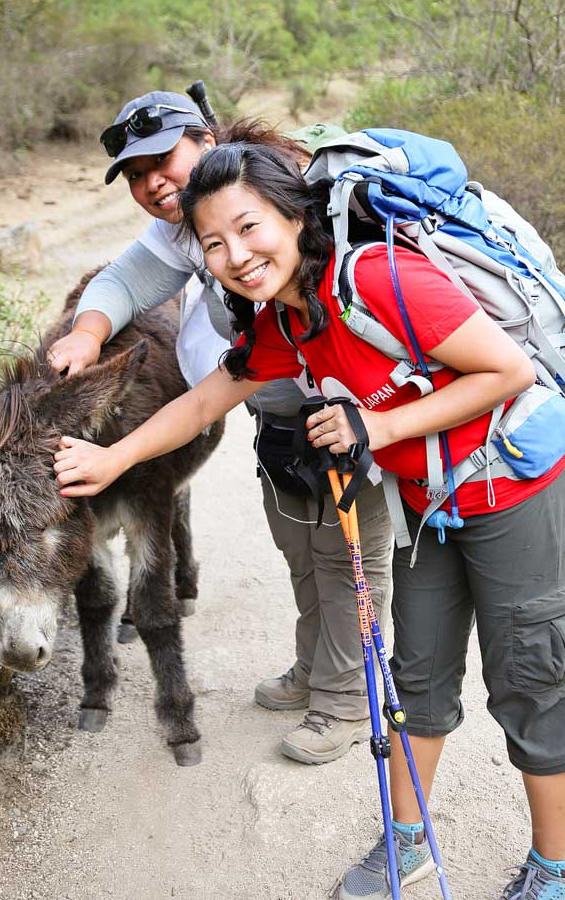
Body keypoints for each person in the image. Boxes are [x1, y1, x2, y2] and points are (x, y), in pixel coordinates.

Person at [53, 140, 565, 900]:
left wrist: (374, 427)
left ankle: (558, 873)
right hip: (426, 502)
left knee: (529, 679)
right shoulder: (286, 320)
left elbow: (506, 369)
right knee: (413, 676)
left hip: (515, 492)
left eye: (249, 228)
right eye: (213, 243)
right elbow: (207, 399)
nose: (236, 255)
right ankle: (408, 840)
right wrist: (112, 458)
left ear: (296, 218)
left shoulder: (378, 280)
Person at [46, 90, 392, 766]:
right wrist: (87, 336)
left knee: (350, 560)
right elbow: (122, 282)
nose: (151, 183)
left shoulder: (273, 194)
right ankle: (313, 669)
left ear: (203, 138)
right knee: (300, 548)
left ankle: (348, 702)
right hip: (279, 411)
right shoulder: (189, 224)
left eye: (161, 160)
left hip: (354, 412)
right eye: (135, 176)